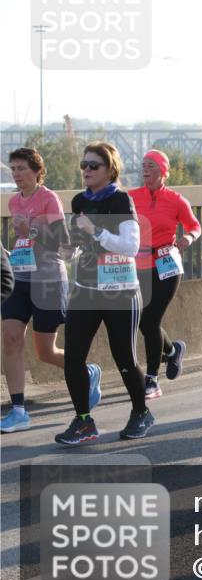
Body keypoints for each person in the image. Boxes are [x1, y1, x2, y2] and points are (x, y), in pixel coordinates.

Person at [56, 142, 152, 445]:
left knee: (124, 357)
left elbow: (130, 247)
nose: (86, 170)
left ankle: (141, 412)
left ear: (110, 170)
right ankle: (84, 421)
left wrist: (96, 230)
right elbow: (81, 245)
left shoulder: (121, 201)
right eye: (84, 165)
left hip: (119, 292)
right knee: (73, 359)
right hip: (85, 289)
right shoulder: (79, 200)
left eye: (93, 165)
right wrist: (68, 251)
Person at [2, 148, 91, 434]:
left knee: (45, 352)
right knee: (11, 339)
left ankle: (86, 372)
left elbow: (64, 246)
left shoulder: (48, 198)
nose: (16, 175)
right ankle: (18, 410)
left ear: (37, 171)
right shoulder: (14, 201)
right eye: (13, 169)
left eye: (21, 169)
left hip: (48, 280)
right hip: (20, 277)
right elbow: (23, 241)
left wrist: (34, 231)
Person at [129, 150, 202, 399]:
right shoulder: (131, 197)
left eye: (151, 165)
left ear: (163, 170)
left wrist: (189, 237)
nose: (145, 169)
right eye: (143, 165)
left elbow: (195, 226)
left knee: (150, 320)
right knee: (141, 320)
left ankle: (151, 380)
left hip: (166, 265)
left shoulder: (176, 200)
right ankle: (171, 351)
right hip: (138, 265)